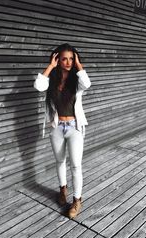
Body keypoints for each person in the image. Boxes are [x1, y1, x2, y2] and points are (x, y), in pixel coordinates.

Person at [34, 43, 91, 218]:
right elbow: (38, 86)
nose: (67, 62)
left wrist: (79, 65)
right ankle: (62, 190)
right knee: (59, 161)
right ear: (58, 60)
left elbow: (87, 83)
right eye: (64, 59)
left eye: (71, 59)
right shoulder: (52, 80)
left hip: (74, 128)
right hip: (57, 128)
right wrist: (51, 66)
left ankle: (77, 200)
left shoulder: (77, 81)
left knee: (75, 165)